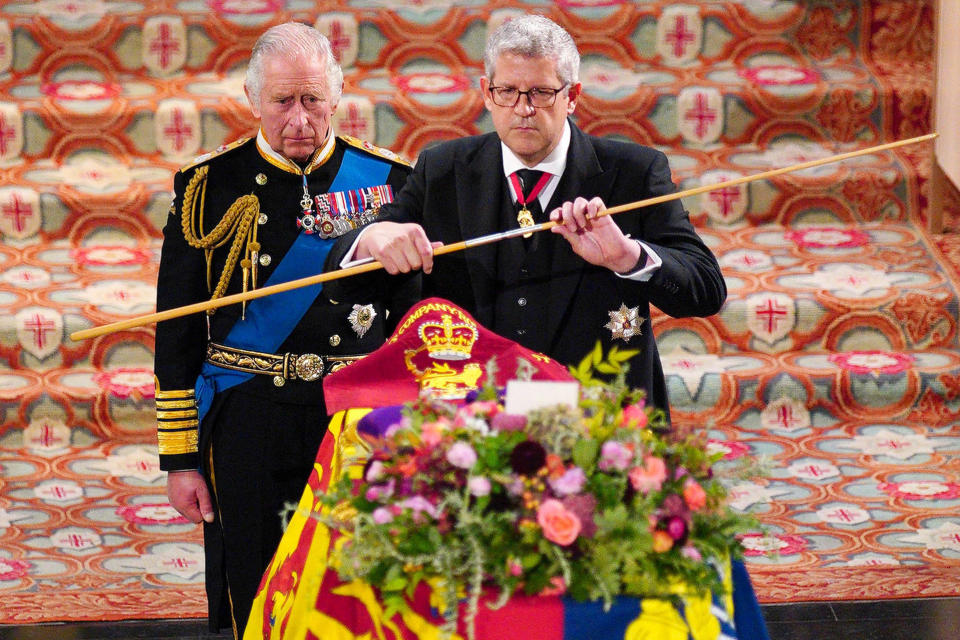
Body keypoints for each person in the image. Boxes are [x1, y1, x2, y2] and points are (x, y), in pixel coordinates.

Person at [153, 21, 415, 638]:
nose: (299, 118)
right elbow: (178, 333)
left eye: (313, 99)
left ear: (338, 94)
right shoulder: (207, 189)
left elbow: (413, 324)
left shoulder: (390, 183)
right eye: (282, 102)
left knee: (358, 585)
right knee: (260, 580)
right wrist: (180, 459)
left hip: (355, 418)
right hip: (250, 415)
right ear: (253, 101)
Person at [331, 14, 726, 419]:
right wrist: (372, 239)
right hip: (473, 421)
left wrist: (626, 257)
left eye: (540, 92)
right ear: (486, 92)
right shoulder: (442, 170)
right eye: (507, 91)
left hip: (598, 422)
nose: (523, 109)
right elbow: (351, 281)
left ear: (572, 95)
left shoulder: (635, 173)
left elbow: (708, 290)